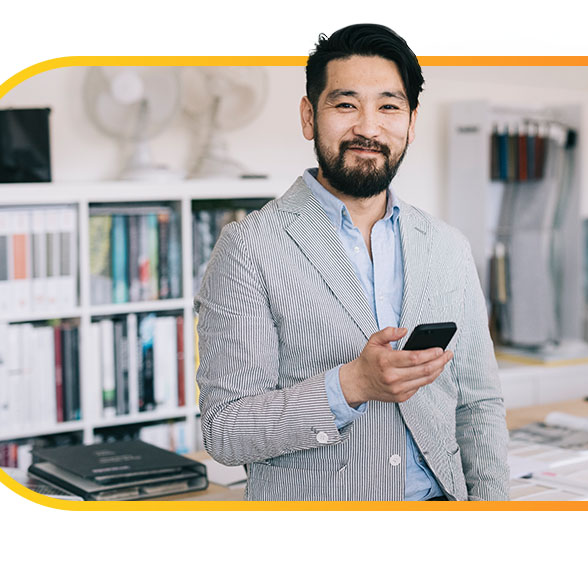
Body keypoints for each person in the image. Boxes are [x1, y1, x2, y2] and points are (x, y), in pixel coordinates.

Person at [195, 23, 510, 501]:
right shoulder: (248, 248)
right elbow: (226, 430)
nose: (368, 127)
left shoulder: (448, 245)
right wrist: (351, 384)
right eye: (345, 104)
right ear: (309, 116)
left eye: (389, 106)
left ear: (410, 120)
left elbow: (478, 405)